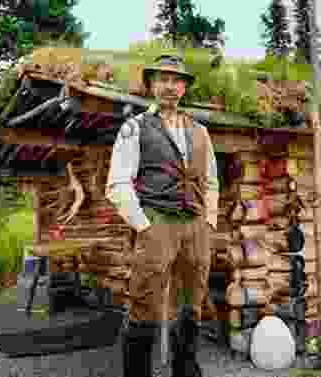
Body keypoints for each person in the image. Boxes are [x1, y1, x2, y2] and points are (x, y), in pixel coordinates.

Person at [105, 54, 218, 377]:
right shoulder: (134, 128)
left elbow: (211, 181)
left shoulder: (200, 132)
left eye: (176, 80)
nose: (170, 86)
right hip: (157, 221)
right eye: (163, 79)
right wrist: (144, 225)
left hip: (196, 225)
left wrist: (208, 222)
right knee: (144, 301)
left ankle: (186, 370)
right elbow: (117, 183)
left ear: (184, 87)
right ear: (152, 85)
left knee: (192, 302)